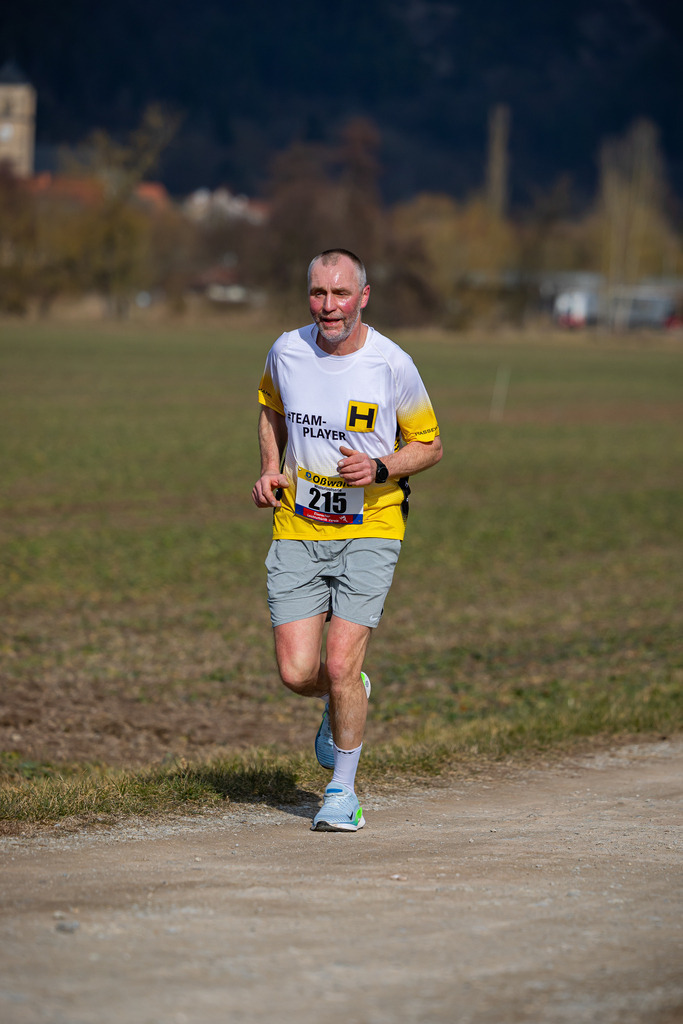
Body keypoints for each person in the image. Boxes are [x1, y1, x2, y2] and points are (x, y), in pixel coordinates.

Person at [252, 248, 442, 832]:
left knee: (337, 661)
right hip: (299, 525)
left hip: (371, 527)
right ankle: (348, 694)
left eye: (340, 294)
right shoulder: (287, 349)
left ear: (363, 295)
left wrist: (382, 467)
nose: (328, 307)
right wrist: (269, 468)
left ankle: (342, 793)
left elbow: (430, 446)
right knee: (296, 670)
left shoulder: (391, 365)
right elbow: (270, 409)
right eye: (318, 293)